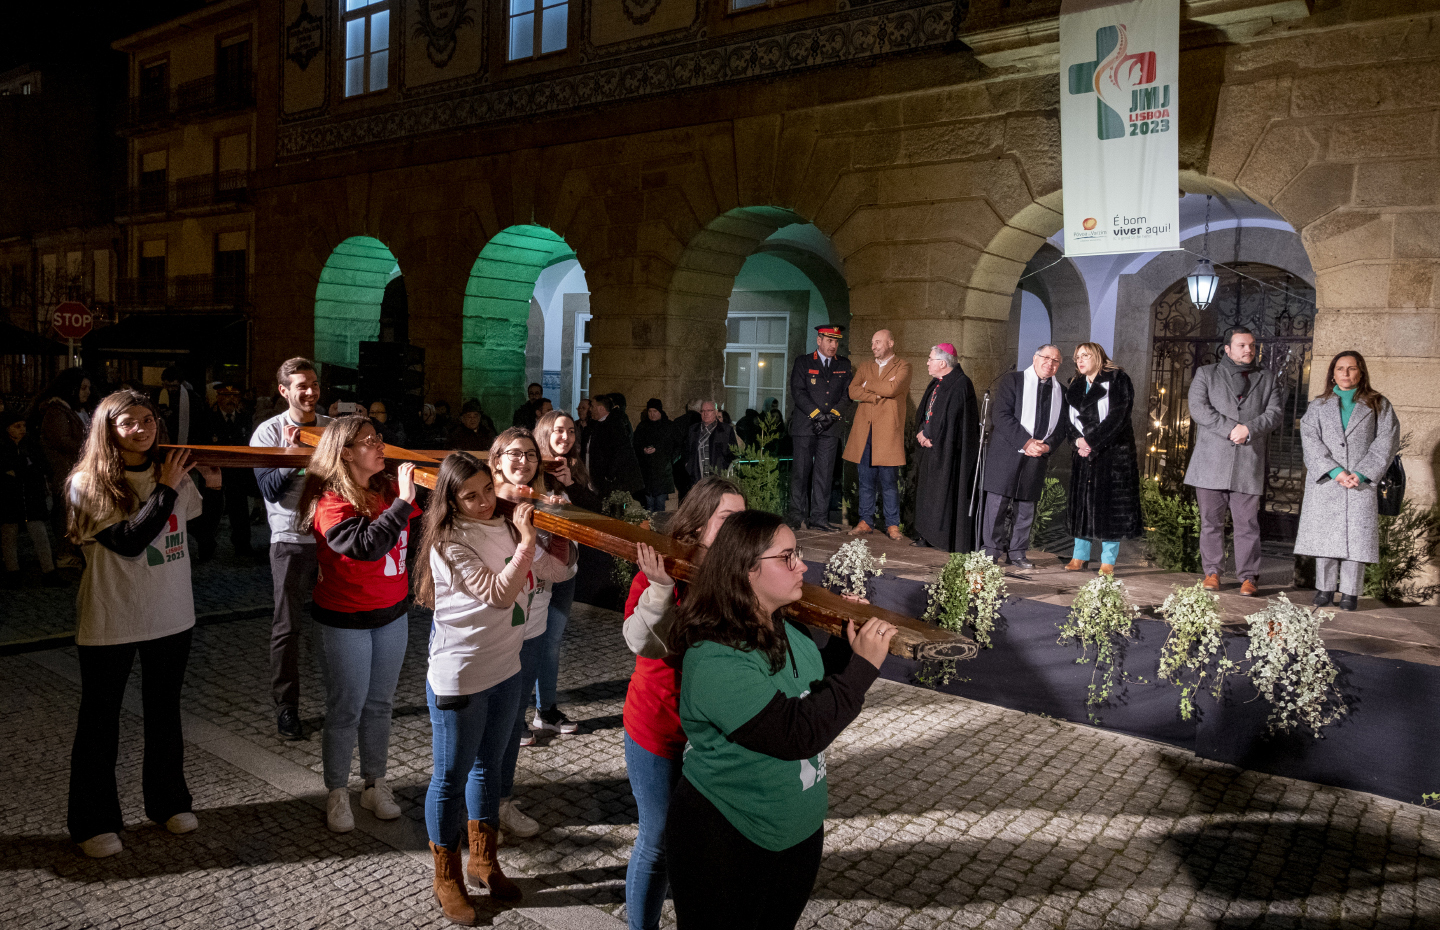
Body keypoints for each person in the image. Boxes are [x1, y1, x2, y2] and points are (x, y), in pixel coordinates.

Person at [664, 510, 895, 929]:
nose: (803, 566)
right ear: (746, 570)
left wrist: (846, 650)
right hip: (726, 838)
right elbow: (795, 733)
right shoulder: (715, 658)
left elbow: (806, 691)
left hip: (796, 833)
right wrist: (862, 669)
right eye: (787, 557)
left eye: (798, 554)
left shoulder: (787, 629)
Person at [63, 389, 222, 858]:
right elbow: (130, 542)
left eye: (148, 419)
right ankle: (93, 820)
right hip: (112, 618)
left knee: (165, 713)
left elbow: (197, 527)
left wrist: (211, 486)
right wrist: (167, 488)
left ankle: (168, 801)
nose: (141, 428)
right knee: (100, 721)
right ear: (106, 430)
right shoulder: (87, 482)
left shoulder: (167, 470)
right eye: (128, 422)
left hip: (171, 615)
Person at [412, 452, 555, 920]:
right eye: (468, 496)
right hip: (462, 675)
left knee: (488, 768)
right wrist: (528, 542)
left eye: (486, 490)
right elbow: (497, 593)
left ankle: (484, 860)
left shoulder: (504, 522)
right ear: (449, 501)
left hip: (505, 667)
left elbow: (561, 568)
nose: (481, 502)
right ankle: (446, 877)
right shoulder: (449, 540)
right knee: (451, 779)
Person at [621, 476, 746, 930]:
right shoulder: (661, 570)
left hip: (712, 737)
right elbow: (641, 643)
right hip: (660, 729)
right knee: (656, 839)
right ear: (696, 526)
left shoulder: (738, 577)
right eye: (728, 519)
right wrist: (658, 589)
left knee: (702, 840)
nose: (738, 529)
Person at [298, 416, 421, 833]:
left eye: (379, 438)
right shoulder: (332, 501)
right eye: (369, 441)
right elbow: (366, 547)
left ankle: (374, 783)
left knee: (380, 705)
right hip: (344, 620)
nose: (380, 445)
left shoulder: (386, 490)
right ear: (345, 452)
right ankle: (336, 791)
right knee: (346, 708)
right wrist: (402, 503)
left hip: (391, 615)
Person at [489, 427, 578, 837]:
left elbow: (567, 565)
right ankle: (478, 806)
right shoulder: (490, 507)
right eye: (513, 453)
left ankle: (501, 799)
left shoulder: (542, 501)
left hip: (534, 623)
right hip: (496, 630)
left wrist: (557, 521)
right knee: (491, 724)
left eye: (529, 454)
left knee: (511, 723)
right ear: (496, 460)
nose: (522, 461)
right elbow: (556, 566)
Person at [252, 358, 333, 741]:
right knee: (288, 627)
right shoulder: (268, 433)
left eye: (314, 384)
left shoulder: (332, 429)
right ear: (284, 391)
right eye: (301, 386)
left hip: (334, 540)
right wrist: (293, 451)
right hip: (291, 541)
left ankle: (344, 701)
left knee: (339, 622)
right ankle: (286, 707)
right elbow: (269, 489)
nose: (310, 392)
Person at [1295, 351, 1399, 612]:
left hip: (1359, 481)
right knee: (1325, 536)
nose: (1345, 373)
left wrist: (1362, 473)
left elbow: (1386, 441)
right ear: (1332, 373)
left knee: (1356, 538)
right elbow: (1310, 441)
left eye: (1351, 368)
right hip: (1328, 482)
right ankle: (1325, 589)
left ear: (1360, 372)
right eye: (1340, 368)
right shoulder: (1318, 406)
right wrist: (1334, 471)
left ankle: (1351, 593)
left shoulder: (1378, 404)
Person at [1184, 327, 1285, 596]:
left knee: (1247, 524)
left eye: (1251, 345)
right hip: (1210, 462)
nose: (1248, 350)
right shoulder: (1207, 374)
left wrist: (1249, 429)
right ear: (1227, 349)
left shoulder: (1267, 378)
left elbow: (1275, 414)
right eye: (1241, 345)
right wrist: (1231, 428)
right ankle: (1213, 572)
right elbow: (1199, 409)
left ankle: (1248, 577)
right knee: (1211, 523)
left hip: (1248, 462)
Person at [981, 345, 1068, 568]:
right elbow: (1000, 415)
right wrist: (1026, 442)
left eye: (1056, 361)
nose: (1050, 363)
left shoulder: (1062, 392)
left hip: (1037, 456)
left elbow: (1061, 428)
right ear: (1034, 358)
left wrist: (1046, 447)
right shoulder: (1014, 381)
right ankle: (991, 550)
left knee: (1026, 507)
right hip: (1007, 452)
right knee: (997, 505)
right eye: (1046, 358)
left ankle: (1018, 552)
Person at [1064, 342, 1142, 574]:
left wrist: (1092, 441)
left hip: (1112, 454)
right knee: (1082, 505)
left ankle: (1108, 561)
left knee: (1110, 508)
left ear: (1098, 357)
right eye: (1077, 356)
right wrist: (1078, 441)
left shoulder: (1118, 379)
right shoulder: (1075, 384)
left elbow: (1118, 416)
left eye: (1085, 355)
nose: (1080, 360)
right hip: (1083, 454)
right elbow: (1068, 420)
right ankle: (1079, 556)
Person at [843, 329, 913, 541]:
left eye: (878, 342)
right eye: (872, 343)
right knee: (865, 480)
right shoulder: (865, 366)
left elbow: (893, 389)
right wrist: (875, 395)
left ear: (891, 343)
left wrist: (868, 385)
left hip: (887, 433)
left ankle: (892, 525)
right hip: (865, 431)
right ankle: (866, 521)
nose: (873, 347)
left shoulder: (903, 366)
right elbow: (852, 391)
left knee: (889, 482)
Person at [912, 343, 981, 552]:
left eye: (930, 359)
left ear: (942, 363)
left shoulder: (961, 384)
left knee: (943, 494)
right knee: (927, 493)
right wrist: (922, 432)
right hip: (931, 449)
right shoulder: (937, 382)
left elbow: (953, 422)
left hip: (948, 453)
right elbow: (927, 412)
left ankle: (940, 538)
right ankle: (925, 534)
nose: (927, 362)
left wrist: (933, 437)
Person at [788, 324, 853, 532]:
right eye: (829, 341)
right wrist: (816, 415)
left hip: (830, 427)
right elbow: (798, 392)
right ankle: (796, 516)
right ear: (819, 341)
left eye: (836, 341)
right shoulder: (804, 362)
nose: (833, 345)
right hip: (806, 425)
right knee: (801, 471)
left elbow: (847, 395)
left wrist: (831, 416)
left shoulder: (844, 364)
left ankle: (819, 517)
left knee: (824, 474)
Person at [29, 367, 93, 569]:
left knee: (75, 513)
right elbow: (61, 440)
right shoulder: (57, 411)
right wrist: (91, 446)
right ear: (72, 388)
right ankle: (64, 553)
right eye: (83, 388)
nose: (87, 392)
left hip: (78, 471)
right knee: (66, 514)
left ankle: (72, 550)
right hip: (65, 472)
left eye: (88, 388)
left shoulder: (76, 410)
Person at [1, 412, 63, 587]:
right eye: (17, 426)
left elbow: (40, 467)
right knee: (9, 534)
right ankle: (13, 572)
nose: (22, 430)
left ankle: (49, 572)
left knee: (39, 534)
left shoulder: (32, 445)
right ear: (8, 429)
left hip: (31, 496)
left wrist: (19, 470)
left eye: (23, 426)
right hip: (10, 498)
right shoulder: (4, 447)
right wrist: (23, 467)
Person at [203, 384, 257, 559]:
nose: (230, 400)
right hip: (214, 473)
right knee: (210, 512)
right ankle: (206, 547)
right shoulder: (208, 419)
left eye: (234, 396)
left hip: (238, 474)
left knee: (240, 512)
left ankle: (242, 546)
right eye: (226, 396)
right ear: (218, 398)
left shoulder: (245, 418)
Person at [536, 408, 603, 511]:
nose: (566, 436)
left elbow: (596, 508)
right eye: (559, 430)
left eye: (571, 431)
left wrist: (569, 484)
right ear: (545, 433)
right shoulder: (533, 465)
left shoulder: (574, 464)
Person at [584, 394, 644, 500]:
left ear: (601, 408)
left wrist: (609, 475)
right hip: (599, 479)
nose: (590, 409)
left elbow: (621, 452)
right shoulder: (595, 425)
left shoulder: (615, 424)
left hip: (615, 482)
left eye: (592, 406)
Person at [634, 398, 676, 513]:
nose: (652, 414)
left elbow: (673, 446)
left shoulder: (668, 426)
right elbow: (635, 444)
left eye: (655, 411)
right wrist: (643, 450)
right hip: (647, 472)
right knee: (648, 505)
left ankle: (657, 529)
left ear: (660, 411)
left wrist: (658, 450)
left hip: (662, 472)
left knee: (660, 504)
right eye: (650, 411)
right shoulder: (643, 426)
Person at [684, 401, 736, 491]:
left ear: (715, 412)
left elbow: (733, 453)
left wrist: (724, 470)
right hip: (697, 480)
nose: (705, 413)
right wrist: (689, 466)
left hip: (718, 480)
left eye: (709, 410)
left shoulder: (726, 430)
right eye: (703, 411)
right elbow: (686, 451)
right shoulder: (693, 430)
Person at [158, 366, 208, 446]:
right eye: (167, 386)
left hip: (187, 439)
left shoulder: (192, 398)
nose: (170, 389)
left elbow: (198, 423)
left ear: (180, 384)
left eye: (174, 386)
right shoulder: (157, 394)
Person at [670, 401, 702, 501]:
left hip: (679, 462)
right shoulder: (700, 421)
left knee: (683, 495)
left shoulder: (678, 421)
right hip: (694, 463)